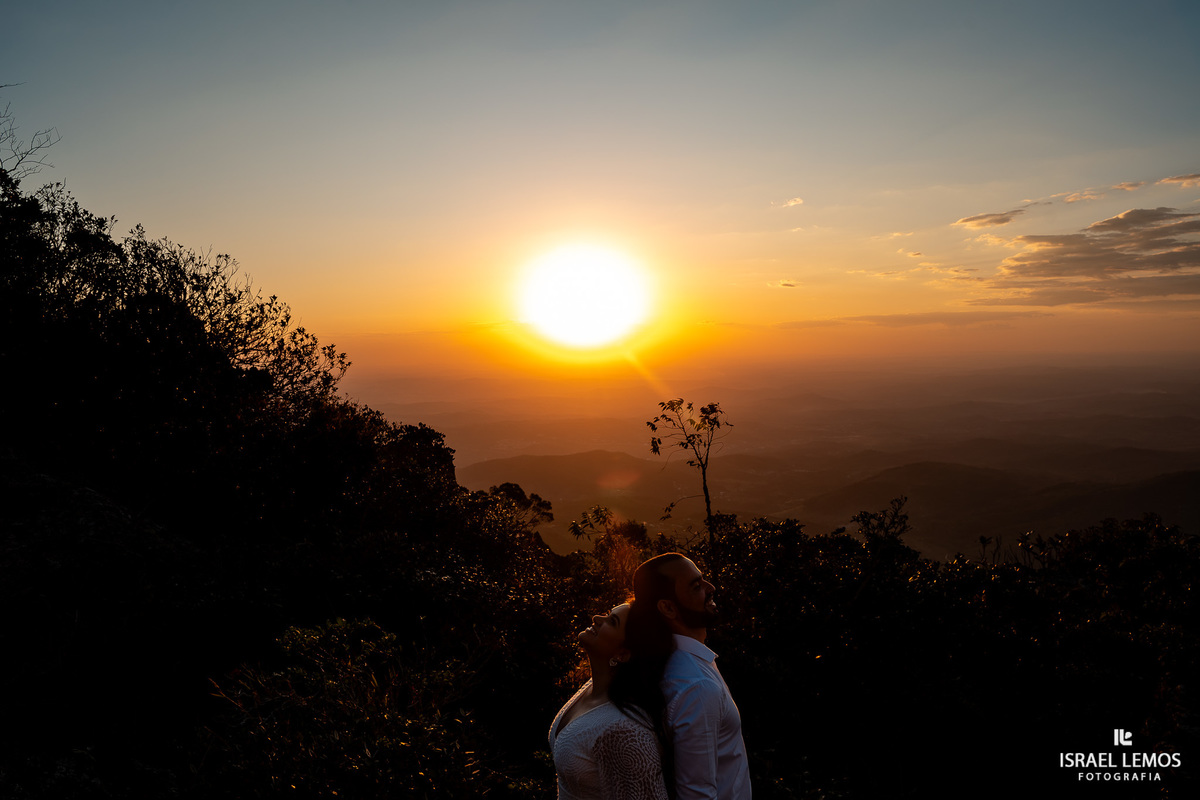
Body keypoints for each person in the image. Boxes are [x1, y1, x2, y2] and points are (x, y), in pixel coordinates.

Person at [634, 554, 751, 800]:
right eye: (696, 586)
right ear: (667, 607)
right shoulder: (697, 686)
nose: (711, 588)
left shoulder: (685, 664)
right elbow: (696, 793)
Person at [549, 601, 670, 800]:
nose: (597, 618)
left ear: (623, 654)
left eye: (611, 621)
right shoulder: (591, 688)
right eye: (607, 613)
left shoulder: (625, 731)